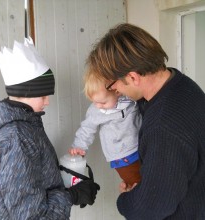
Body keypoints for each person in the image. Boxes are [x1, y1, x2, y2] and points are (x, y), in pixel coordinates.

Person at [85, 23, 205, 220]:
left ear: (133, 77)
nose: (115, 91)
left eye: (113, 85)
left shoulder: (164, 126)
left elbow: (151, 208)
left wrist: (126, 199)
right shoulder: (181, 84)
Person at [0, 38, 100, 220]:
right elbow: (28, 215)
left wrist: (68, 183)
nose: (47, 101)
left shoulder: (27, 125)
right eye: (43, 95)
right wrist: (72, 196)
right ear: (27, 92)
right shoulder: (17, 137)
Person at [69, 71, 142, 187]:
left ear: (117, 91)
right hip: (122, 156)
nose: (98, 106)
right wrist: (79, 147)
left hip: (142, 147)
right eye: (94, 102)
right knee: (137, 184)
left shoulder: (131, 99)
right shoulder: (95, 111)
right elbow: (86, 129)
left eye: (102, 102)